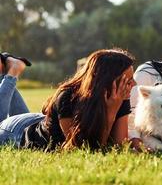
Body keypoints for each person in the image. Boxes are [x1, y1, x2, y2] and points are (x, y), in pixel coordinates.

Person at [0, 49, 136, 150]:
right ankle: (12, 72)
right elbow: (78, 148)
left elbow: (120, 145)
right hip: (16, 132)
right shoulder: (67, 97)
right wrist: (111, 112)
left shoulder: (120, 96)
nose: (134, 84)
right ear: (107, 80)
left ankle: (4, 73)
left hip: (41, 120)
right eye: (128, 80)